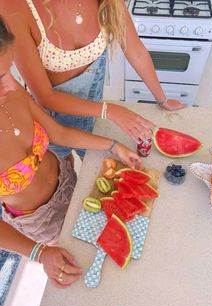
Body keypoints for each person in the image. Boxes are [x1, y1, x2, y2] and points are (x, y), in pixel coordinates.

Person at [0, 16, 143, 288]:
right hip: (41, 220)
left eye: (8, 70)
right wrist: (39, 252)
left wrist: (113, 146)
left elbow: (59, 133)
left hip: (69, 178)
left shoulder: (9, 89)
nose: (11, 83)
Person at [0, 0, 185, 160]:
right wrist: (110, 110)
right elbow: (45, 96)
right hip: (52, 122)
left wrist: (162, 99)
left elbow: (135, 50)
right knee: (65, 174)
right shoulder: (13, 6)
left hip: (95, 116)